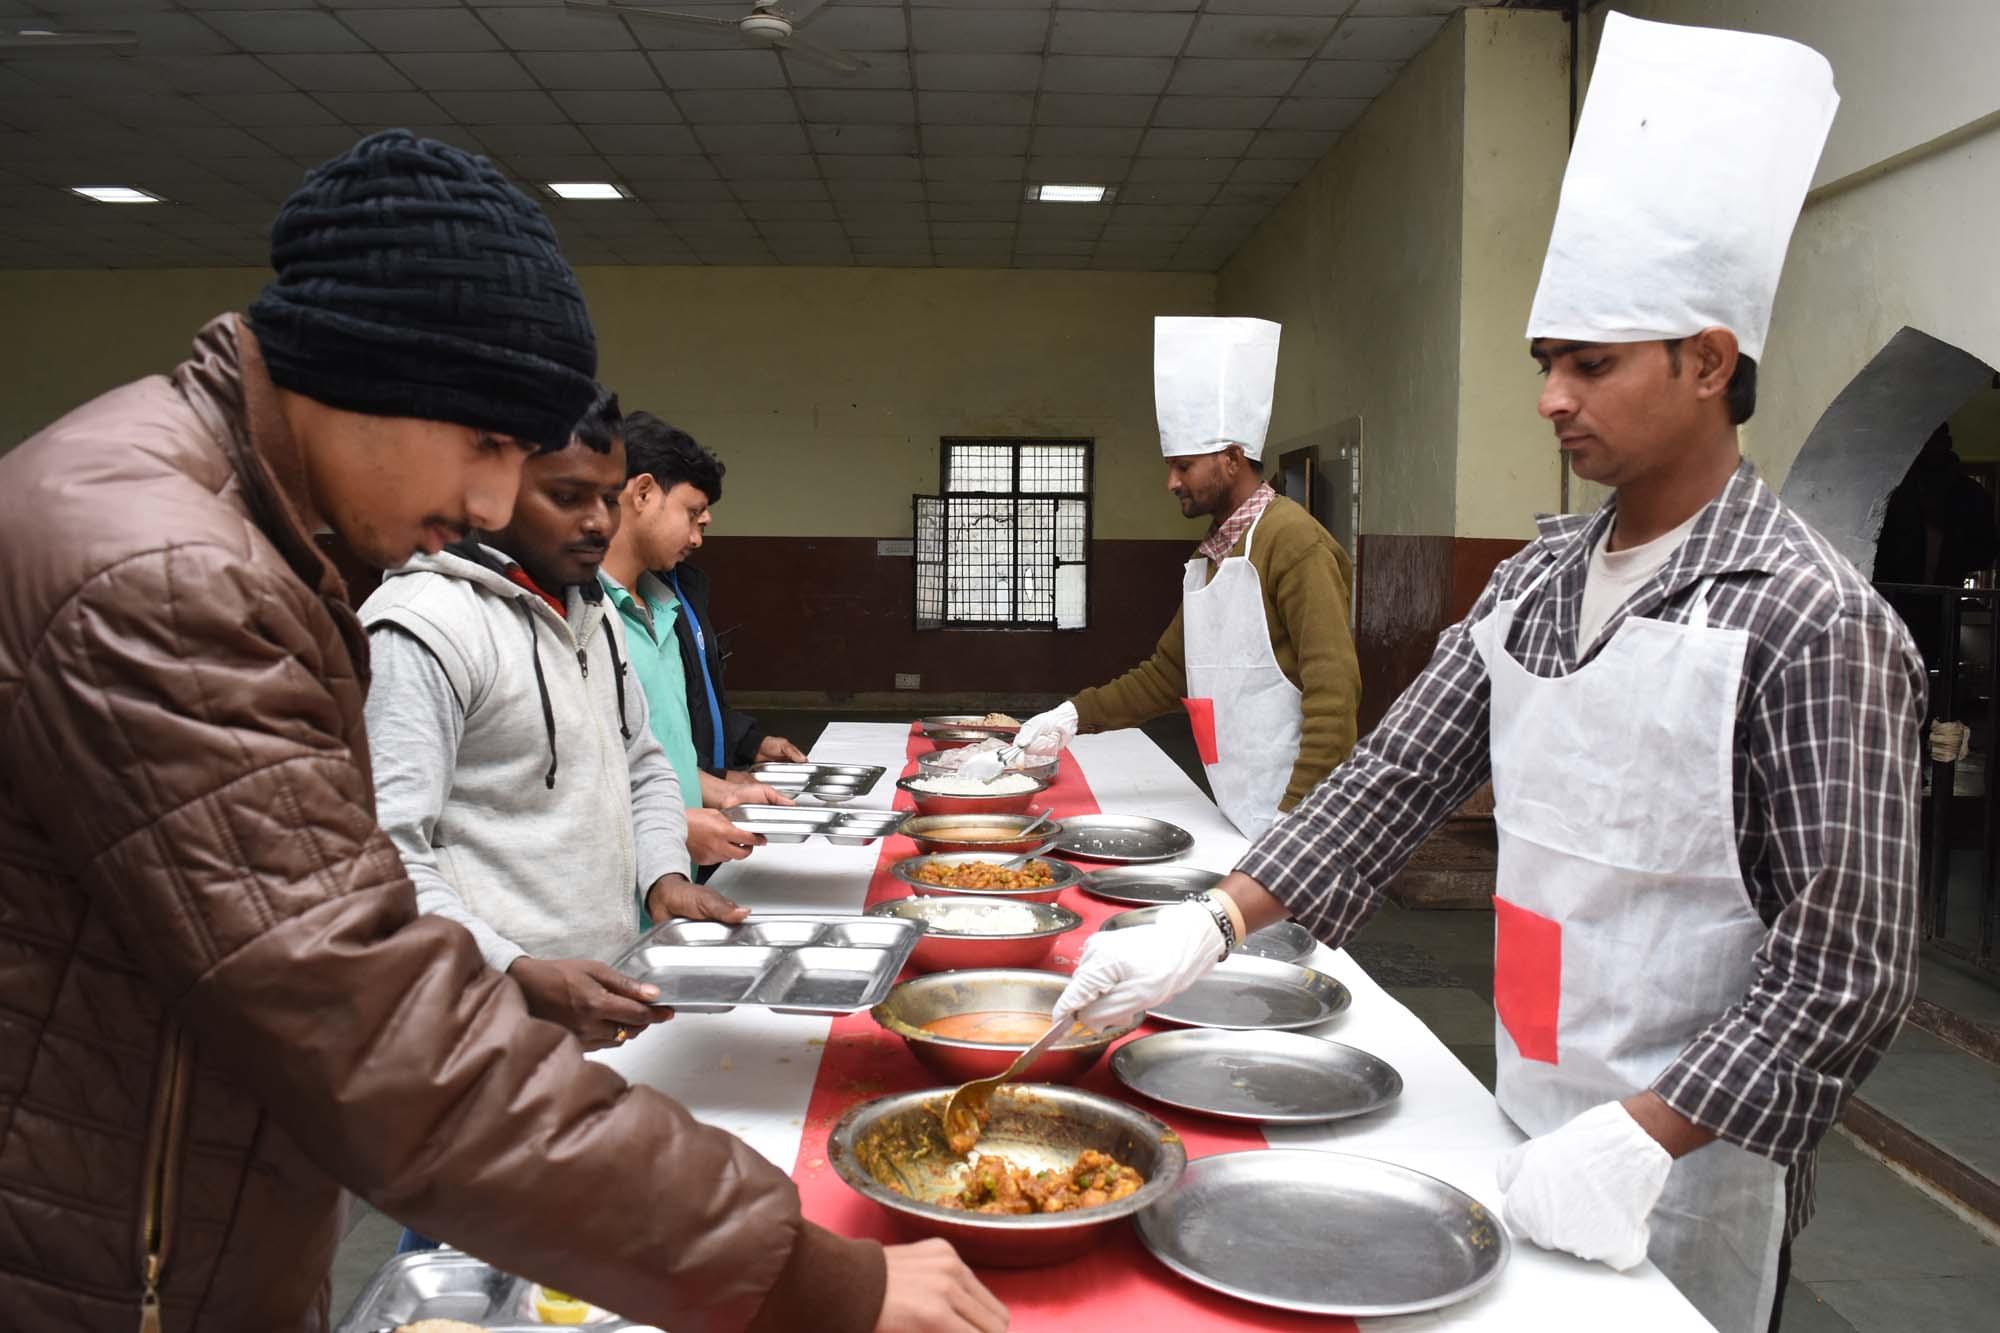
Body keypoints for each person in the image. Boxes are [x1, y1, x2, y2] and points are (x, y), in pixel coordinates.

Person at [0, 129, 1002, 1332]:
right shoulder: (170, 574)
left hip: (191, 1210)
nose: (488, 505)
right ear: (370, 367)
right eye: (484, 444)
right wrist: (817, 1277)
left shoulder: (241, 529)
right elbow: (379, 1035)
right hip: (107, 1259)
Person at [1054, 19, 1919, 1333]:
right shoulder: (1535, 584)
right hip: (1514, 1086)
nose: (1551, 399)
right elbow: (1395, 775)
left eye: (1591, 363)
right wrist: (1213, 919)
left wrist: (1648, 1133)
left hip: (1692, 1151)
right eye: (1543, 365)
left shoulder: (1807, 619)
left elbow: (1846, 956)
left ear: (1705, 361)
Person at [359, 389, 769, 1054]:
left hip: (614, 995)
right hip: (485, 1025)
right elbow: (381, 861)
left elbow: (644, 763)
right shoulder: (421, 628)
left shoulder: (595, 615)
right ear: (491, 490)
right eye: (568, 496)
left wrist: (664, 877)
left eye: (609, 498)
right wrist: (515, 974)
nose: (599, 522)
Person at [1014, 316, 1363, 840]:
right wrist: (1072, 715)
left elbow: (1334, 693)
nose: (1171, 482)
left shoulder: (1294, 543)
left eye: (1183, 466)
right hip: (1237, 803)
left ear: (1231, 458)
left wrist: (1302, 814)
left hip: (1294, 816)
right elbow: (1166, 675)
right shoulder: (1211, 557)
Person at [597, 411, 807, 858]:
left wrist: (723, 792)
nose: (698, 536)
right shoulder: (582, 615)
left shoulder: (667, 607)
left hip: (670, 880)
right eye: (691, 513)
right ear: (643, 492)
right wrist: (668, 826)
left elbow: (659, 755)